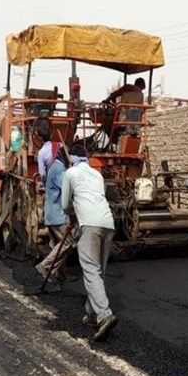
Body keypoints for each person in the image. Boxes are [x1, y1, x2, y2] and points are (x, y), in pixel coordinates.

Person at [61, 143, 119, 342]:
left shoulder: (70, 173)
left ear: (71, 159)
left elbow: (65, 204)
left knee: (90, 270)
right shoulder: (97, 174)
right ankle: (92, 312)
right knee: (99, 271)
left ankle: (104, 314)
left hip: (89, 225)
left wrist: (71, 213)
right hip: (108, 223)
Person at [34, 148, 75, 284]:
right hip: (58, 214)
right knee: (67, 242)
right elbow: (67, 190)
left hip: (50, 214)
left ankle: (61, 274)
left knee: (58, 244)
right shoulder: (59, 169)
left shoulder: (53, 168)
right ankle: (44, 266)